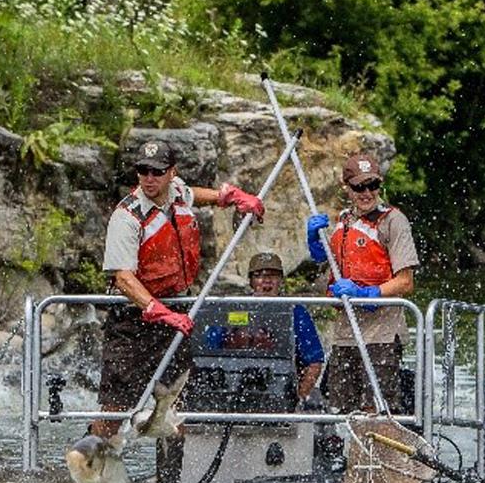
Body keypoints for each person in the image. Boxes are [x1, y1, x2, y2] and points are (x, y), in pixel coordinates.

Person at [95, 138, 264, 437]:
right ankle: (89, 470)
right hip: (133, 322)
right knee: (114, 410)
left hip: (176, 314)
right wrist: (156, 310)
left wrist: (228, 197)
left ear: (171, 172)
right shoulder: (127, 216)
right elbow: (123, 277)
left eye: (157, 172)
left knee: (179, 402)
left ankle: (174, 478)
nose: (149, 178)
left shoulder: (175, 192)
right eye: (143, 171)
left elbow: (192, 195)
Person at [305, 153, 418, 414]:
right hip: (346, 334)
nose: (367, 193)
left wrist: (369, 293)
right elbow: (327, 259)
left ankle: (372, 454)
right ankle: (343, 453)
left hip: (382, 333)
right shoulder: (343, 221)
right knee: (340, 408)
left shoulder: (393, 221)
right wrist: (315, 242)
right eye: (359, 187)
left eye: (373, 186)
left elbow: (405, 282)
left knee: (375, 409)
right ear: (347, 188)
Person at [199, 251, 325, 406]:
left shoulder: (296, 312)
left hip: (279, 391)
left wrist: (298, 399)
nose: (267, 281)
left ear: (280, 281)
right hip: (229, 388)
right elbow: (207, 349)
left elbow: (314, 363)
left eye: (273, 276)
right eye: (259, 276)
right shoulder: (233, 308)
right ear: (251, 281)